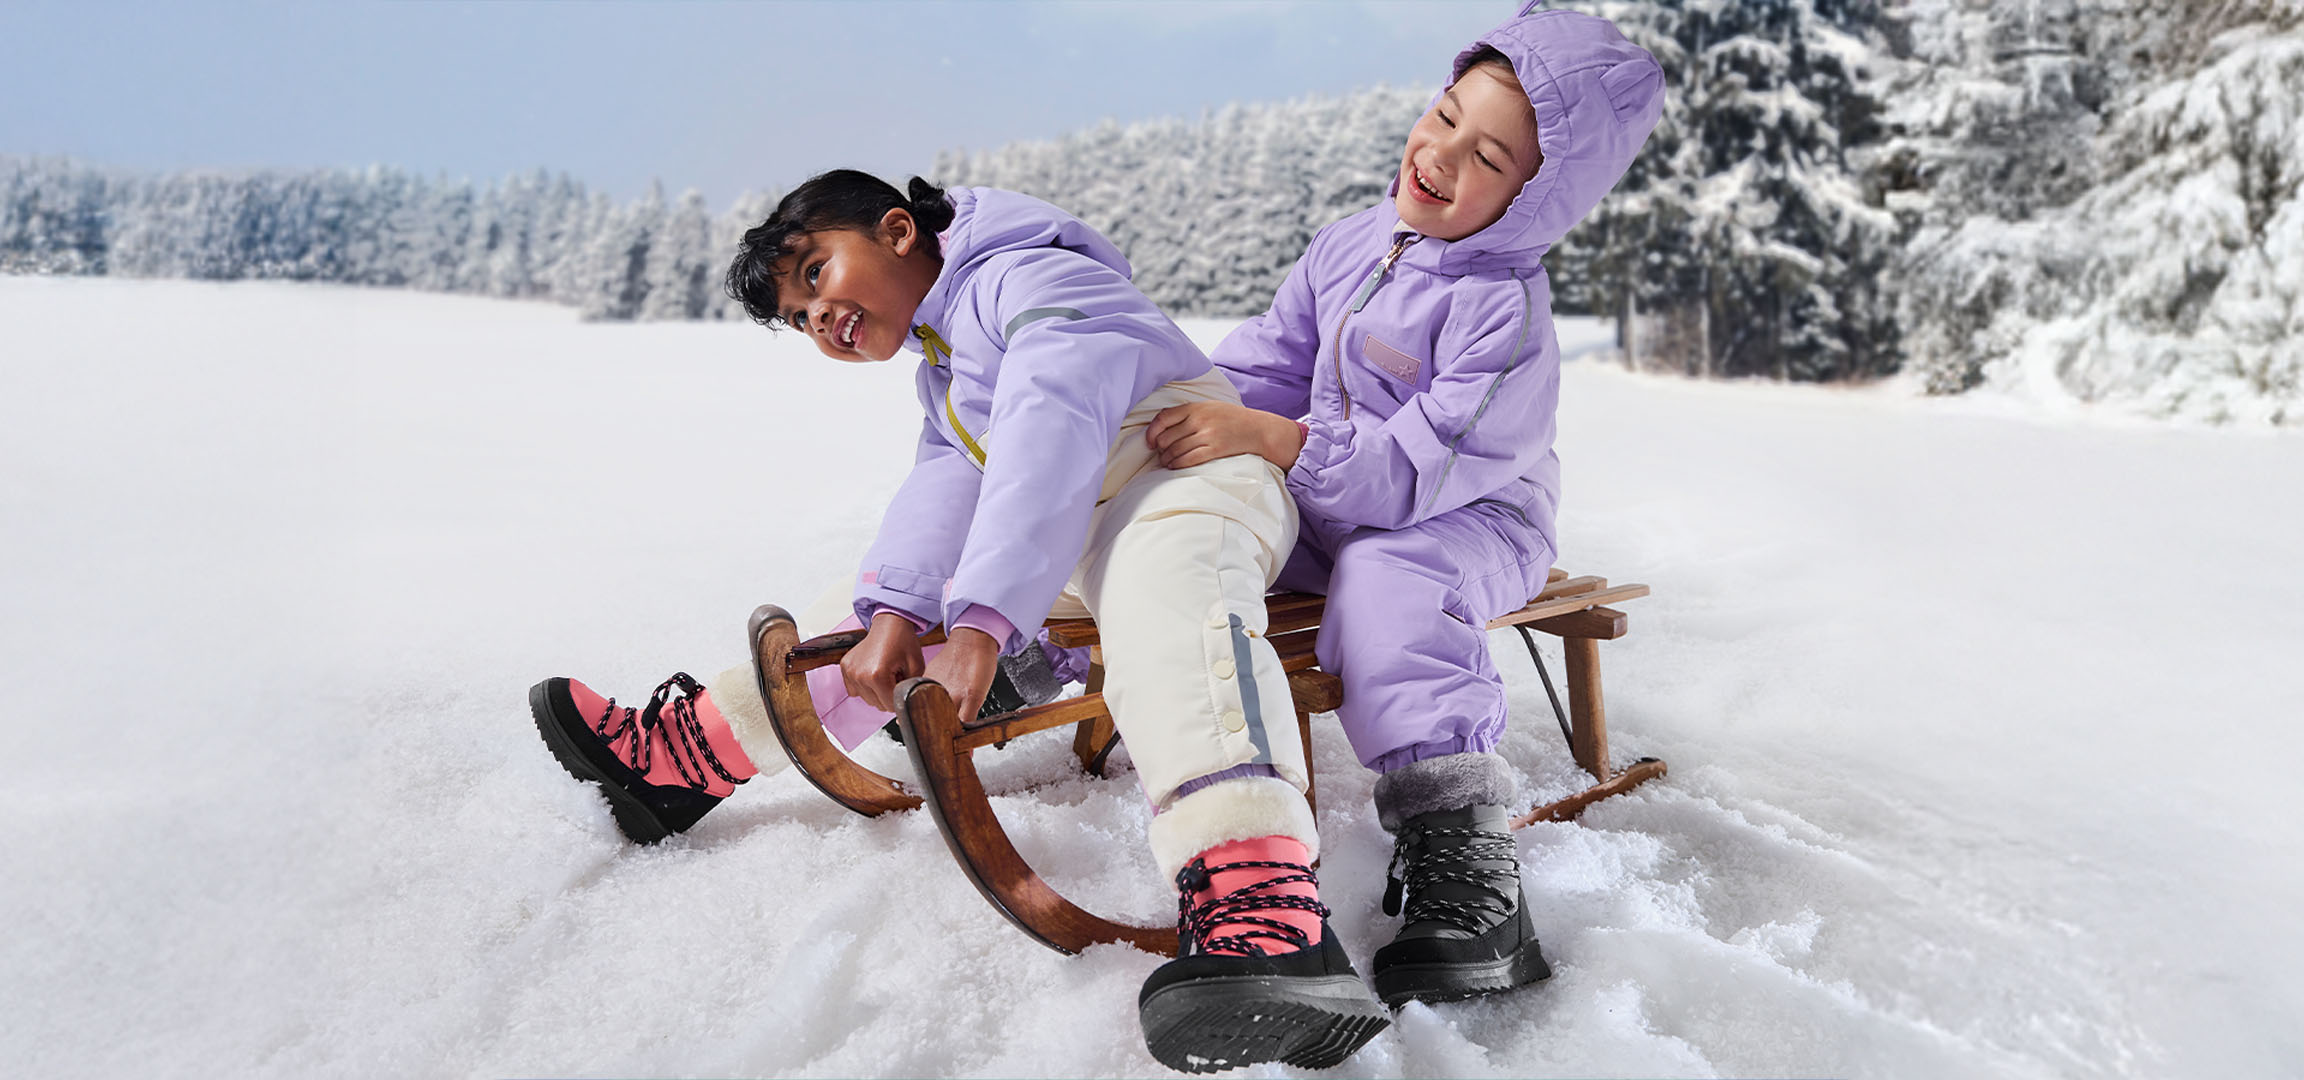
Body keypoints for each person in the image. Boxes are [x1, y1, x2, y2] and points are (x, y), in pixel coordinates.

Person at [527, 170, 1391, 1071]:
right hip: (1077, 531)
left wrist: (980, 627)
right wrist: (900, 611)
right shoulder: (943, 365)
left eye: (816, 275)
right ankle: (684, 756)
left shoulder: (1039, 278)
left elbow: (1046, 433)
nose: (817, 320)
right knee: (870, 607)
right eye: (796, 318)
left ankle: (1266, 904)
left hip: (1184, 484)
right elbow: (949, 488)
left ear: (899, 231)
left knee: (1171, 607)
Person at [1143, 7, 1664, 1008]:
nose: (1441, 154)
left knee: (1389, 574)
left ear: (1531, 198)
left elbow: (1410, 478)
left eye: (1489, 155)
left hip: (1468, 525)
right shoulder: (1353, 242)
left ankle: (1463, 855)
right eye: (1444, 113)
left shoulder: (1502, 314)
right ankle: (1057, 647)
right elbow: (1269, 361)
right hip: (1333, 504)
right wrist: (1179, 416)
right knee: (1201, 521)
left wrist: (1277, 442)